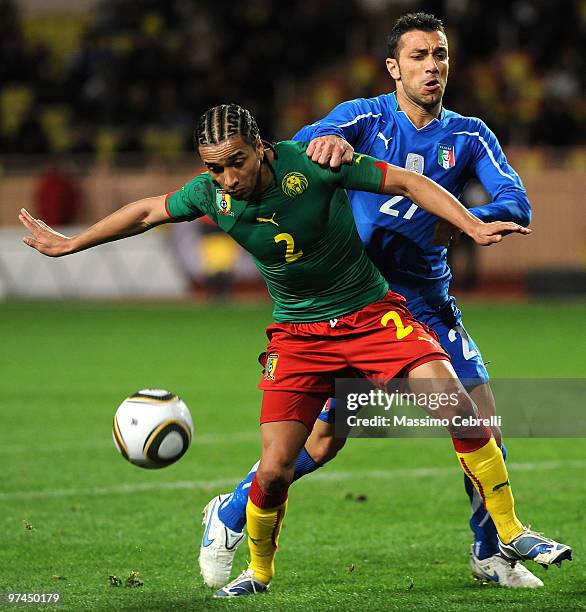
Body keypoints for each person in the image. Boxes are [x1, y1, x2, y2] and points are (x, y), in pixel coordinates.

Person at [20, 104, 570, 599]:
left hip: (369, 315)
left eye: (235, 162)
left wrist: (470, 224)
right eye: (214, 167)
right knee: (280, 465)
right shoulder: (211, 193)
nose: (226, 179)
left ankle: (510, 533)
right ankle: (258, 571)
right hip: (299, 337)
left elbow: (404, 182)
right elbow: (146, 212)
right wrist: (71, 243)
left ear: (261, 148)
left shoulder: (310, 166)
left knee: (456, 402)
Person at [200, 13, 554, 590]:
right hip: (360, 308)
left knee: (483, 423)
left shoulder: (469, 134)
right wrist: (329, 140)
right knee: (322, 440)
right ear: (394, 68)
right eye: (418, 56)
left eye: (440, 55)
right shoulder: (363, 117)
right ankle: (230, 512)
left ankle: (491, 552)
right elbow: (295, 153)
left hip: (429, 307)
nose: (432, 66)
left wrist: (465, 221)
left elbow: (517, 203)